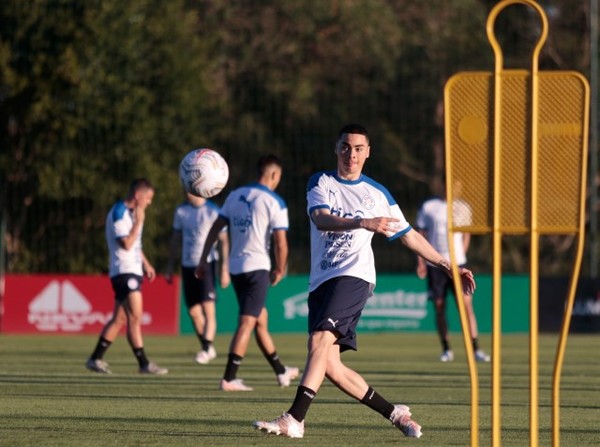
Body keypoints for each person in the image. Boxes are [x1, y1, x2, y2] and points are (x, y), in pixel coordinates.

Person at [253, 124, 476, 439]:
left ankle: (295, 419)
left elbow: (409, 235)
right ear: (337, 148)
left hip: (355, 276)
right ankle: (395, 414)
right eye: (345, 147)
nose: (351, 154)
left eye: (358, 148)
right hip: (322, 281)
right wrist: (362, 221)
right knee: (329, 364)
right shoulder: (322, 181)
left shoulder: (377, 194)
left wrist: (447, 264)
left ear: (368, 152)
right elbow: (320, 218)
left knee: (319, 341)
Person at [195, 154, 299, 391]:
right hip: (257, 268)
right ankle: (229, 378)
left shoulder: (235, 196)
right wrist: (280, 268)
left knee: (260, 319)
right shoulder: (274, 201)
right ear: (274, 175)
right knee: (247, 322)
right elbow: (281, 243)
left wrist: (203, 259)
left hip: (236, 269)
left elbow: (215, 228)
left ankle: (281, 371)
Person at [86, 178, 168, 375]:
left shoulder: (131, 213)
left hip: (132, 270)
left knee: (120, 319)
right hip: (124, 271)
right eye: (148, 198)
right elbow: (127, 244)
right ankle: (144, 364)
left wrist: (146, 264)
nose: (149, 202)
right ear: (138, 196)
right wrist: (139, 222)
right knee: (135, 317)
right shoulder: (119, 213)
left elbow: (136, 246)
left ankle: (95, 358)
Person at [416, 193, 490, 363]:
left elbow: (466, 234)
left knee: (466, 307)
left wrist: (461, 255)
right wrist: (421, 261)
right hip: (436, 265)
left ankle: (475, 349)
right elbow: (420, 234)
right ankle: (447, 349)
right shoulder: (430, 206)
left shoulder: (463, 207)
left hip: (459, 265)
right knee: (439, 306)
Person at [166, 191, 230, 364]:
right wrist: (170, 265)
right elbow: (176, 239)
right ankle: (207, 346)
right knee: (193, 311)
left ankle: (206, 347)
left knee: (208, 309)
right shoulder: (181, 211)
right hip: (187, 265)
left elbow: (224, 240)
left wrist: (225, 268)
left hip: (207, 264)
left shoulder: (212, 210)